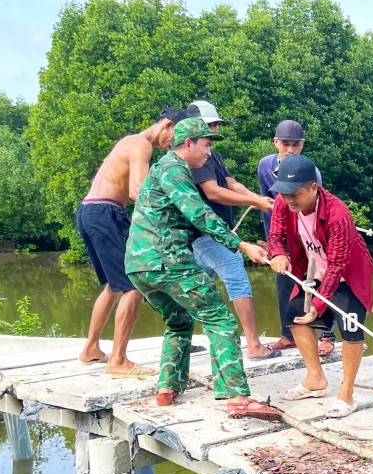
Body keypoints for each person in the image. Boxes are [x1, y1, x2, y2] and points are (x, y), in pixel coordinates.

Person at [124, 116, 284, 421]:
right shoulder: (174, 169)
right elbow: (200, 214)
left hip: (139, 266)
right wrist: (242, 246)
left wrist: (241, 240)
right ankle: (238, 398)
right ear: (188, 144)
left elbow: (188, 221)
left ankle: (166, 389)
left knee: (180, 322)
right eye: (206, 144)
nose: (209, 152)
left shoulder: (161, 171)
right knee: (221, 322)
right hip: (167, 261)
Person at [75, 107, 187, 377]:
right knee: (134, 282)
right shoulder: (141, 145)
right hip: (105, 212)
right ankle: (118, 361)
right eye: (175, 138)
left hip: (90, 210)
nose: (173, 145)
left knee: (114, 286)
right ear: (167, 125)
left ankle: (91, 348)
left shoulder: (127, 141)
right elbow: (137, 190)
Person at [267, 155, 373, 418]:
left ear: (313, 188)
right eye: (284, 193)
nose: (289, 199)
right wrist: (278, 254)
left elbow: (337, 265)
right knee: (295, 314)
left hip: (347, 275)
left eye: (295, 193)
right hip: (313, 268)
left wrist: (317, 304)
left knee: (351, 328)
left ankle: (346, 394)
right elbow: (276, 235)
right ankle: (315, 378)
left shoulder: (338, 213)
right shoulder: (285, 203)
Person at [185, 100, 277, 361]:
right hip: (208, 233)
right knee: (237, 278)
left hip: (206, 234)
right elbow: (212, 191)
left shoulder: (210, 153)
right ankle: (254, 345)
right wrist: (254, 201)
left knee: (195, 285)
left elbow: (229, 182)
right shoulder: (197, 157)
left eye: (215, 124)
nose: (215, 130)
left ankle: (184, 339)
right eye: (211, 125)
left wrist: (259, 200)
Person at [257, 119, 335, 358]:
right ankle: (290, 335)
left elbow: (315, 210)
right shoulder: (264, 166)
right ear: (275, 143)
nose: (290, 150)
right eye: (285, 144)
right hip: (281, 232)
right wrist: (275, 246)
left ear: (303, 145)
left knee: (317, 279)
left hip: (308, 234)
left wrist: (311, 248)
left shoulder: (310, 172)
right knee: (283, 281)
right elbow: (264, 205)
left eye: (295, 145)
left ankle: (326, 335)